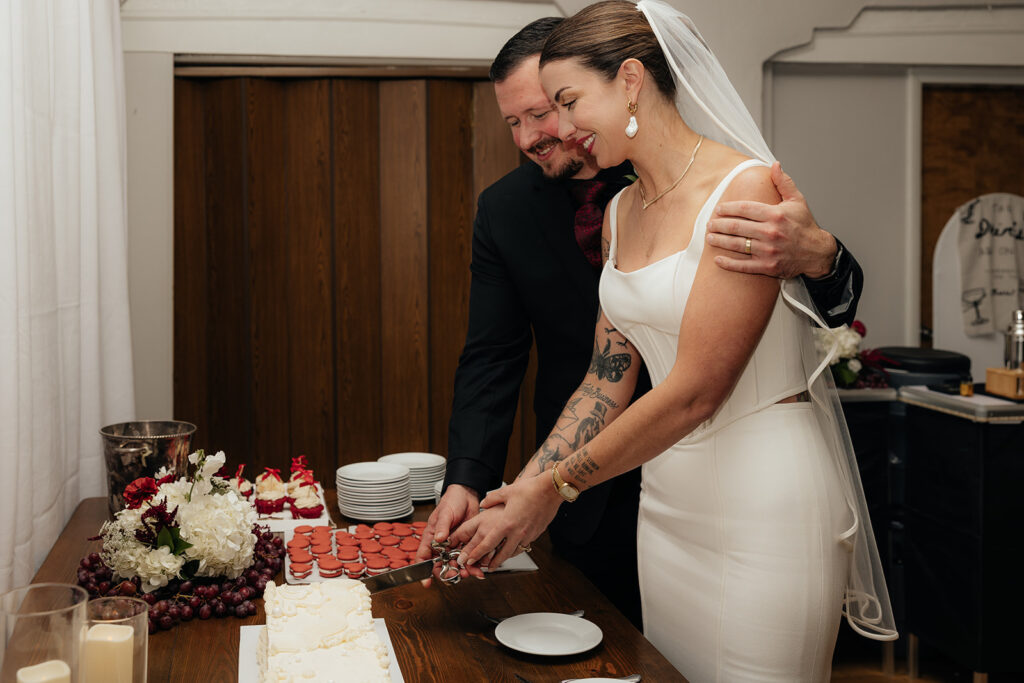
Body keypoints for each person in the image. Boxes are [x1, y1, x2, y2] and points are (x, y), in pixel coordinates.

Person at [446, 2, 897, 681]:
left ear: (630, 80)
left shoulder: (742, 190)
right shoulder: (623, 213)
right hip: (665, 506)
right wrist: (527, 485)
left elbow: (694, 393)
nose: (560, 130)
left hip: (761, 504)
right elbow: (605, 377)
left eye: (566, 103)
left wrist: (555, 486)